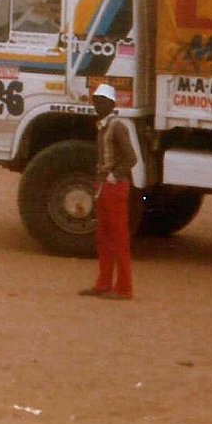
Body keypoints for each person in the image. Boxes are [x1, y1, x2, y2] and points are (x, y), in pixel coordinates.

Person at [80, 82, 136, 300]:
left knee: (118, 238)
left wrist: (116, 174)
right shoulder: (104, 126)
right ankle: (104, 284)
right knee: (104, 238)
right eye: (96, 101)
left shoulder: (116, 127)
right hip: (105, 185)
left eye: (102, 101)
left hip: (113, 185)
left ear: (112, 104)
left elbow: (131, 157)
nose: (97, 105)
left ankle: (124, 288)